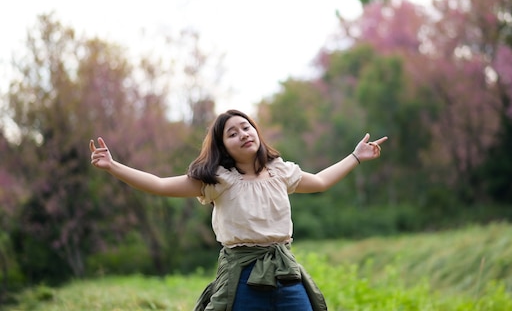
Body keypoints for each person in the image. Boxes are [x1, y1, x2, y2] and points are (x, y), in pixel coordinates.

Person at [89, 109, 387, 311]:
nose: (243, 134)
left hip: (285, 271)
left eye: (246, 127)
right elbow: (160, 185)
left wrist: (355, 157)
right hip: (242, 275)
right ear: (224, 147)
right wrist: (113, 167)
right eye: (233, 133)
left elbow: (321, 181)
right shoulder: (218, 179)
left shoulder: (279, 172)